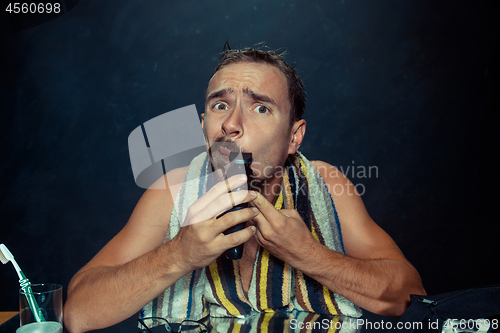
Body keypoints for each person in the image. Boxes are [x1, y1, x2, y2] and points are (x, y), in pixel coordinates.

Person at [63, 47, 426, 333]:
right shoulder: (171, 192)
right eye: (220, 105)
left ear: (294, 137)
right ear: (204, 127)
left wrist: (308, 254)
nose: (231, 125)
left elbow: (409, 298)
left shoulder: (326, 185)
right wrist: (179, 254)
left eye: (260, 108)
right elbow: (77, 314)